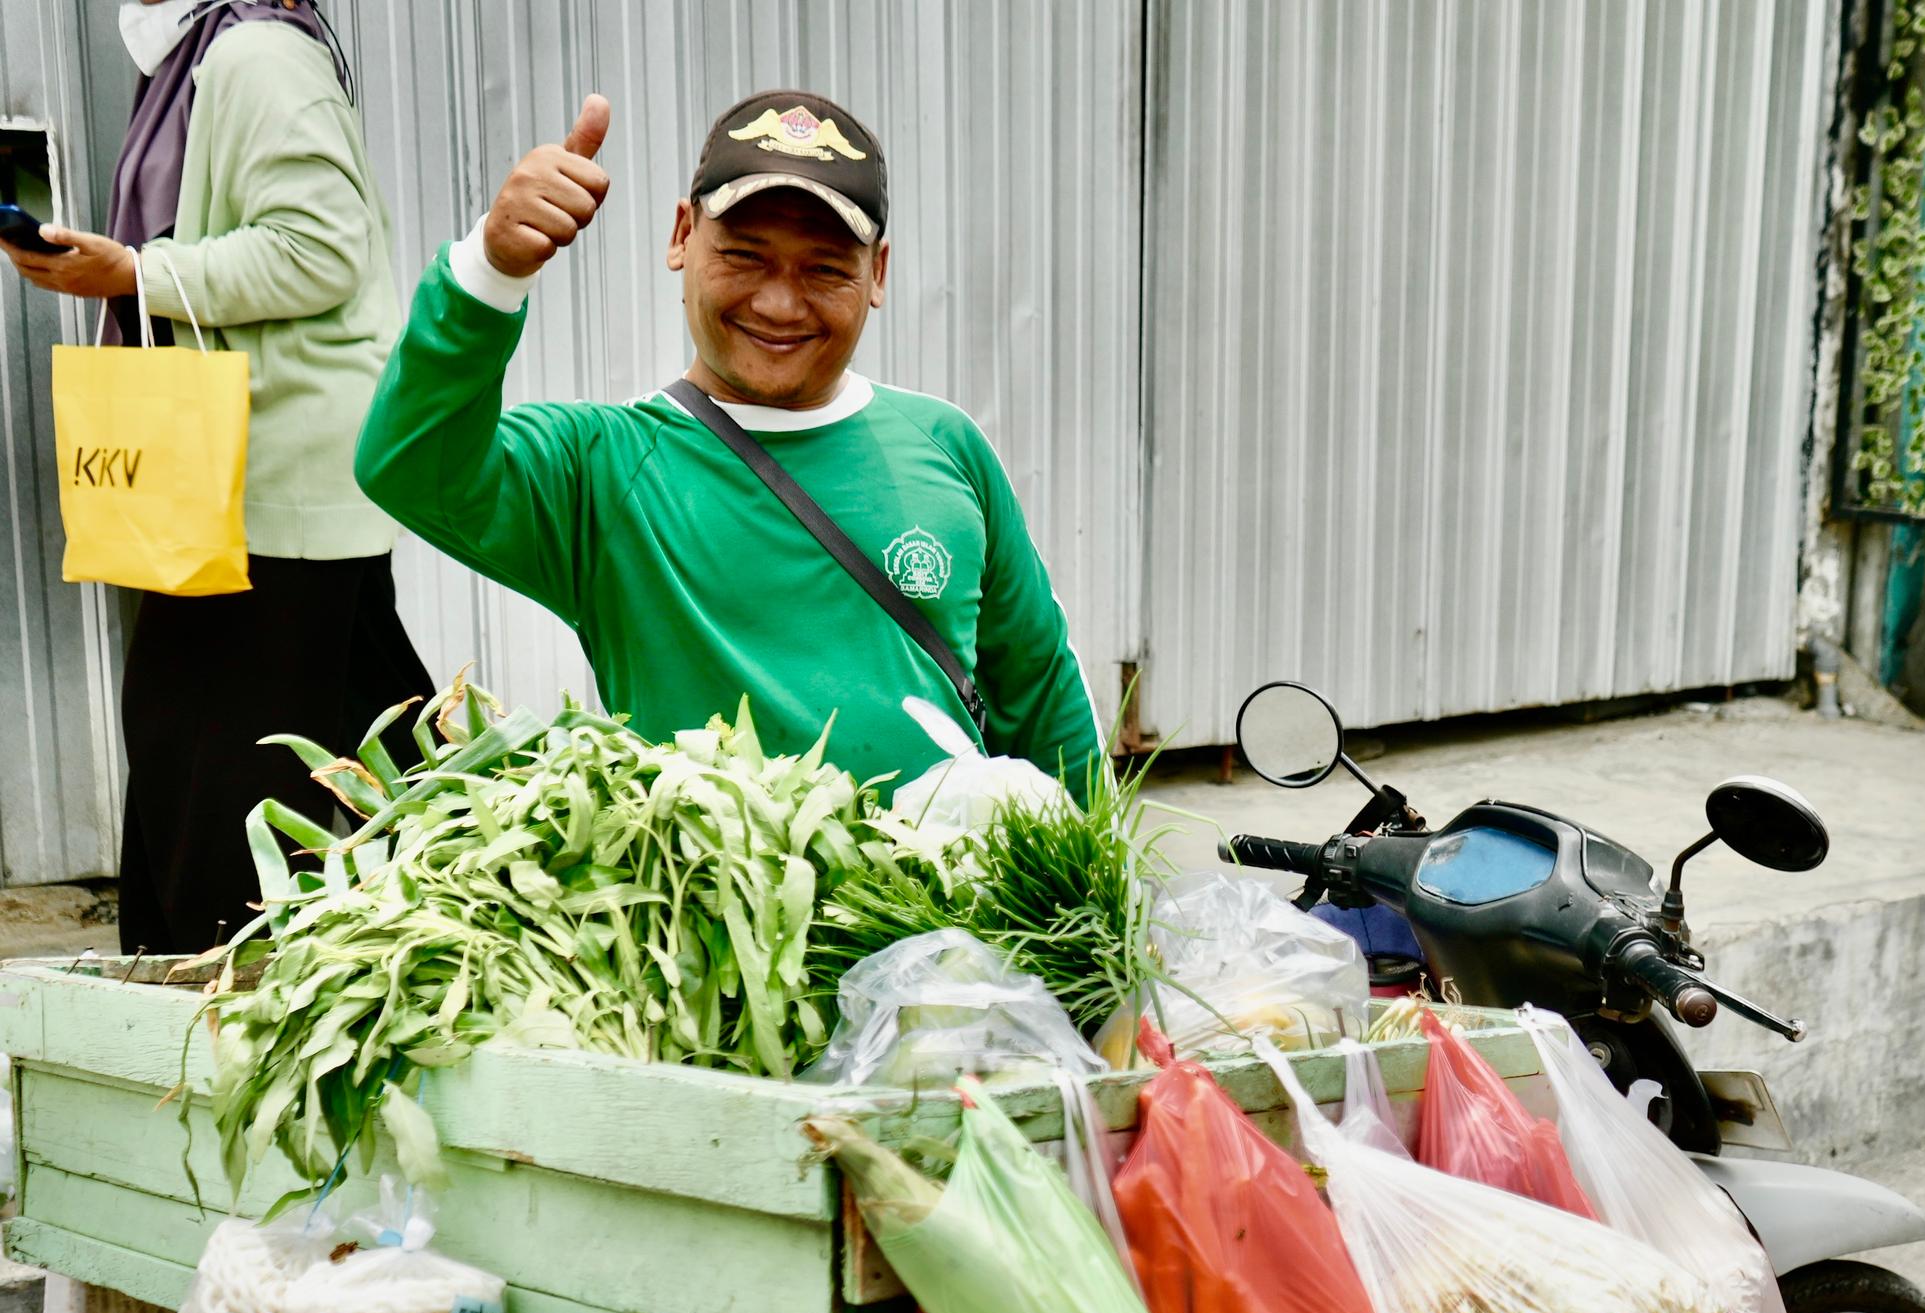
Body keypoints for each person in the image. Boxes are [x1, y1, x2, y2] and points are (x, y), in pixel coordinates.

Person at [354, 89, 1101, 795]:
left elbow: (1039, 688)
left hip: (942, 924)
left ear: (877, 273)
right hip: (714, 926)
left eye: (824, 269)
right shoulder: (604, 470)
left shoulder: (945, 444)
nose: (779, 303)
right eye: (744, 256)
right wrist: (490, 274)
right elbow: (412, 467)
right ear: (683, 236)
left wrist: (1093, 898)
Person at [0, 0, 431, 955]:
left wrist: (140, 273)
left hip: (268, 484)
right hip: (258, 479)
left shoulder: (256, 56)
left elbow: (321, 250)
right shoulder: (204, 54)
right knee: (371, 755)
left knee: (218, 791)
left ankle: (209, 1015)